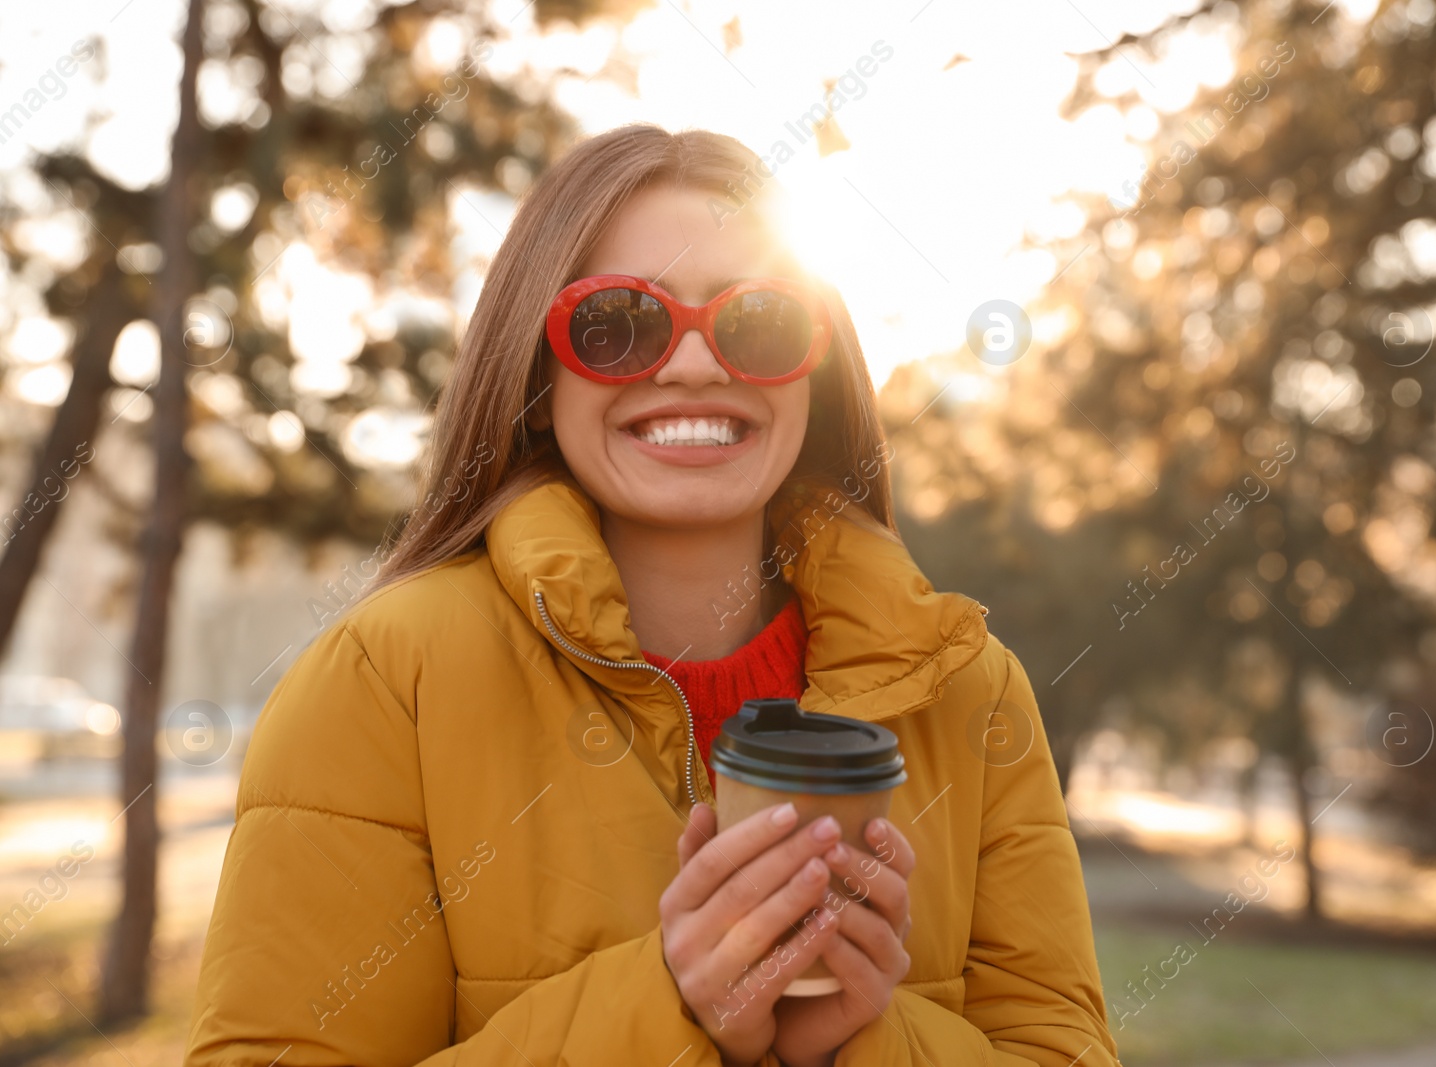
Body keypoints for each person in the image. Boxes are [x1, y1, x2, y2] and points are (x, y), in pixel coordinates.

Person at [185, 123, 1118, 1067]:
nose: (695, 365)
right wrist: (671, 1007)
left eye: (757, 319)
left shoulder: (973, 693)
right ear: (538, 369)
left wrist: (854, 1045)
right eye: (620, 324)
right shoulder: (385, 681)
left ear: (816, 366)